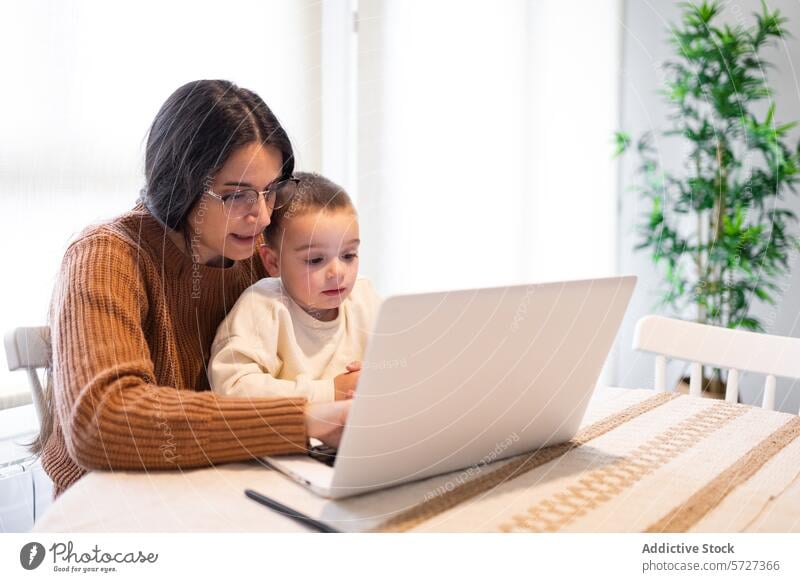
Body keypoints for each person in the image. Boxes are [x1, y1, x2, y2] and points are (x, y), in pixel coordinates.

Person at [35, 80, 351, 497]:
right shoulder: (105, 256)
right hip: (115, 504)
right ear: (181, 183)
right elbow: (103, 423)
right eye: (236, 194)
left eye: (271, 191)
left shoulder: (260, 255)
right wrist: (307, 417)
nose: (260, 215)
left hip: (223, 487)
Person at [209, 172, 381, 402]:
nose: (337, 272)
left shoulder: (364, 297)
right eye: (315, 260)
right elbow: (233, 387)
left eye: (348, 255)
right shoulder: (264, 306)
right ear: (273, 262)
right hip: (293, 436)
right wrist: (331, 391)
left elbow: (401, 359)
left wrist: (379, 375)